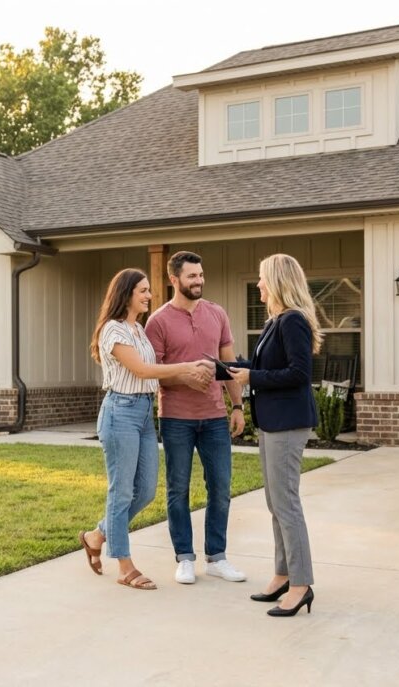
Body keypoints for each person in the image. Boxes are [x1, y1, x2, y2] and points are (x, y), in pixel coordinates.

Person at [79, 268, 213, 590]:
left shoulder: (137, 329)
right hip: (120, 412)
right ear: (125, 293)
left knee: (147, 491)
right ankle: (124, 566)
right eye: (143, 290)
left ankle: (96, 535)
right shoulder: (113, 330)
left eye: (149, 290)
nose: (149, 296)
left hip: (142, 414)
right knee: (121, 491)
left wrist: (189, 376)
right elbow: (140, 369)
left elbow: (151, 374)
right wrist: (185, 367)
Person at [226, 254, 322, 617]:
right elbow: (266, 368)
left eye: (263, 279)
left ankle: (301, 584)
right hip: (272, 422)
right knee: (275, 503)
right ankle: (283, 574)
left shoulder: (293, 321)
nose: (259, 285)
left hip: (288, 423)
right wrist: (230, 370)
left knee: (287, 504)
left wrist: (253, 378)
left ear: (278, 281)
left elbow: (298, 373)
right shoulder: (275, 322)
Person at [145, 251, 247, 586]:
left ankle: (216, 557)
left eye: (201, 275)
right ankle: (184, 557)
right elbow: (154, 374)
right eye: (192, 276)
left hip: (215, 417)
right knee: (178, 490)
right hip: (176, 419)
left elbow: (230, 367)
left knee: (221, 488)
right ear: (174, 280)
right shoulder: (157, 321)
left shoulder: (217, 314)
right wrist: (184, 377)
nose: (199, 281)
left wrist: (237, 406)